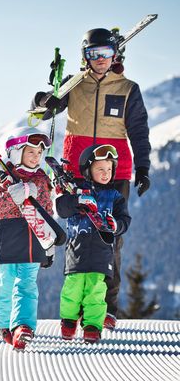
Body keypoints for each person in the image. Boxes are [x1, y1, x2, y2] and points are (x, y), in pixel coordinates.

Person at [32, 27, 151, 330]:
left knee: (111, 238)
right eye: (93, 54)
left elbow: (138, 130)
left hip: (114, 170)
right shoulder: (74, 84)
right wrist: (46, 96)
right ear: (85, 56)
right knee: (78, 237)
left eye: (106, 54)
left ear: (115, 56)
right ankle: (76, 307)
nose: (100, 60)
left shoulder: (128, 88)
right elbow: (41, 114)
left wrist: (144, 167)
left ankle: (105, 310)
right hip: (76, 171)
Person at [56, 144, 131, 343]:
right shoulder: (77, 190)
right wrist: (77, 200)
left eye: (109, 169)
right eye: (100, 169)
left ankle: (92, 325)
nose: (106, 173)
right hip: (76, 251)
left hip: (102, 252)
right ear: (89, 170)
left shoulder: (115, 197)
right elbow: (61, 208)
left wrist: (116, 225)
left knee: (96, 290)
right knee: (73, 288)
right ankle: (69, 321)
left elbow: (125, 220)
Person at [0, 130, 54, 351]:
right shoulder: (4, 176)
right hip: (8, 237)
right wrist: (16, 194)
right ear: (16, 153)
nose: (36, 157)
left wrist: (49, 243)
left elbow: (47, 209)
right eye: (30, 152)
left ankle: (23, 326)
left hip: (34, 238)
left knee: (27, 283)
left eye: (39, 152)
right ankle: (2, 323)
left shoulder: (42, 178)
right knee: (7, 281)